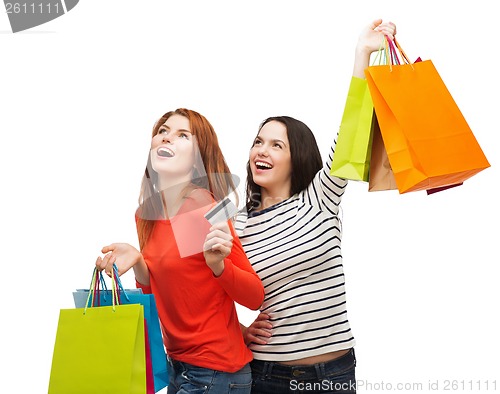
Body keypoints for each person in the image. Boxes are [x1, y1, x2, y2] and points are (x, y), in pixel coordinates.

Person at [236, 19, 397, 393]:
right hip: (268, 376)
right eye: (258, 142)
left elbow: (351, 131)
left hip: (335, 374)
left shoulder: (320, 199)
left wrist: (362, 54)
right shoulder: (236, 224)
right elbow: (198, 286)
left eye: (277, 145)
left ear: (298, 158)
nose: (262, 150)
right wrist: (239, 329)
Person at [95, 108, 265, 393]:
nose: (166, 138)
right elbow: (168, 294)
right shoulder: (146, 215)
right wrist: (138, 261)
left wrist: (218, 266)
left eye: (182, 135)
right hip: (176, 365)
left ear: (199, 156)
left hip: (215, 371)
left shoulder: (204, 209)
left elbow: (254, 296)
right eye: (162, 131)